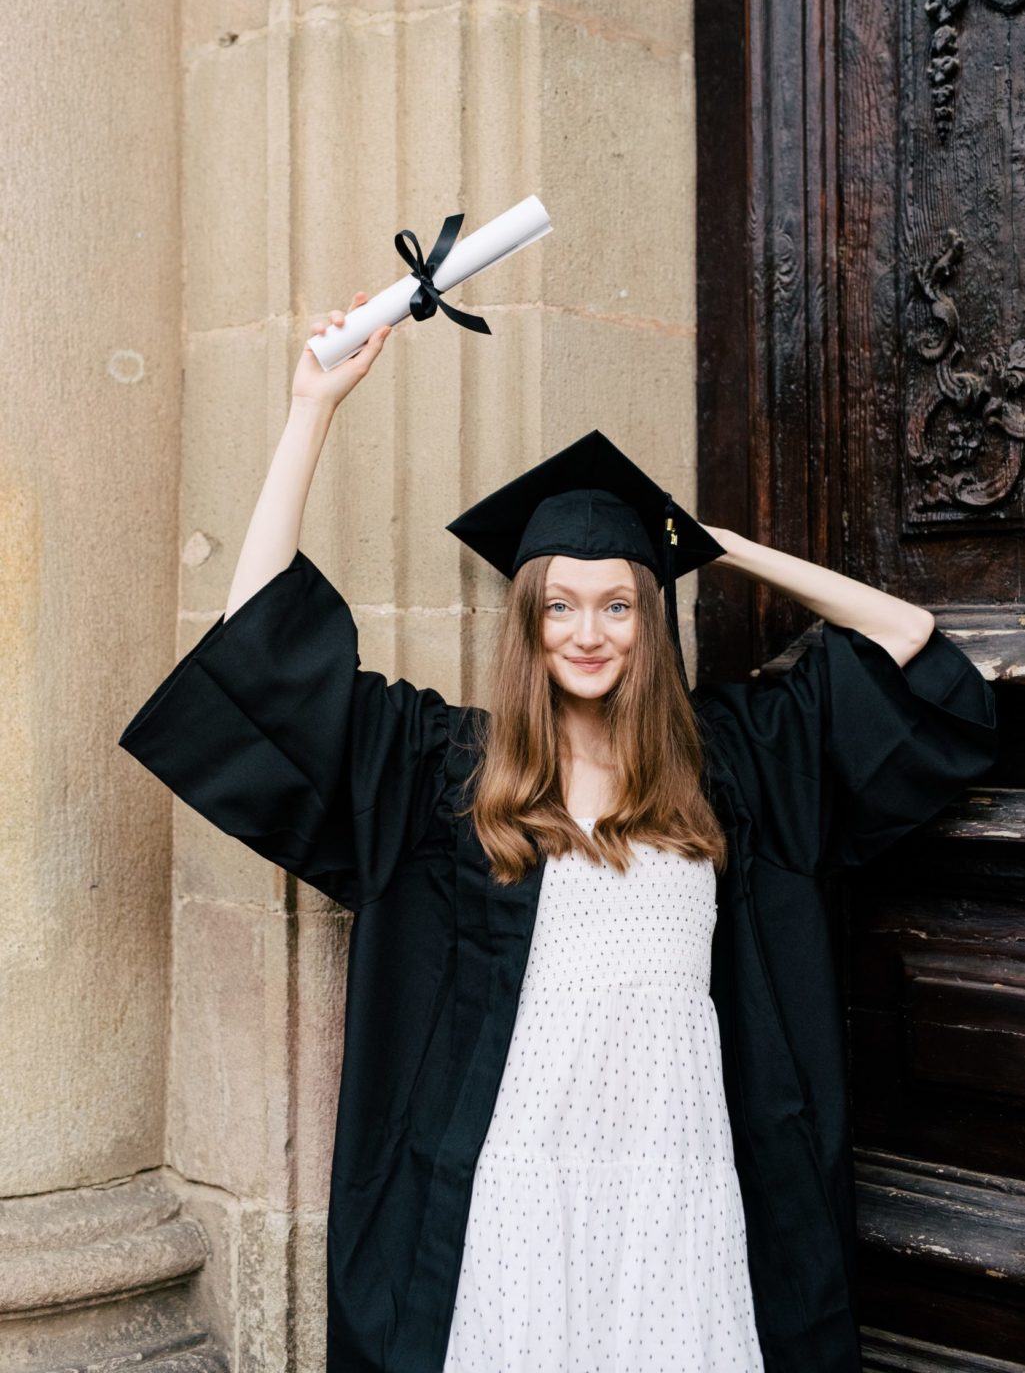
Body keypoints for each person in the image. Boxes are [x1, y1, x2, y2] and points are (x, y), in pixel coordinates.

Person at [118, 297, 999, 1373]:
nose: (589, 634)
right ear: (528, 622)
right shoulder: (445, 769)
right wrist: (310, 412)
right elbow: (255, 660)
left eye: (620, 605)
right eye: (562, 607)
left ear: (650, 618)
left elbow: (915, 651)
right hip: (517, 1172)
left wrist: (716, 547)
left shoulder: (734, 761)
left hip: (676, 1168)